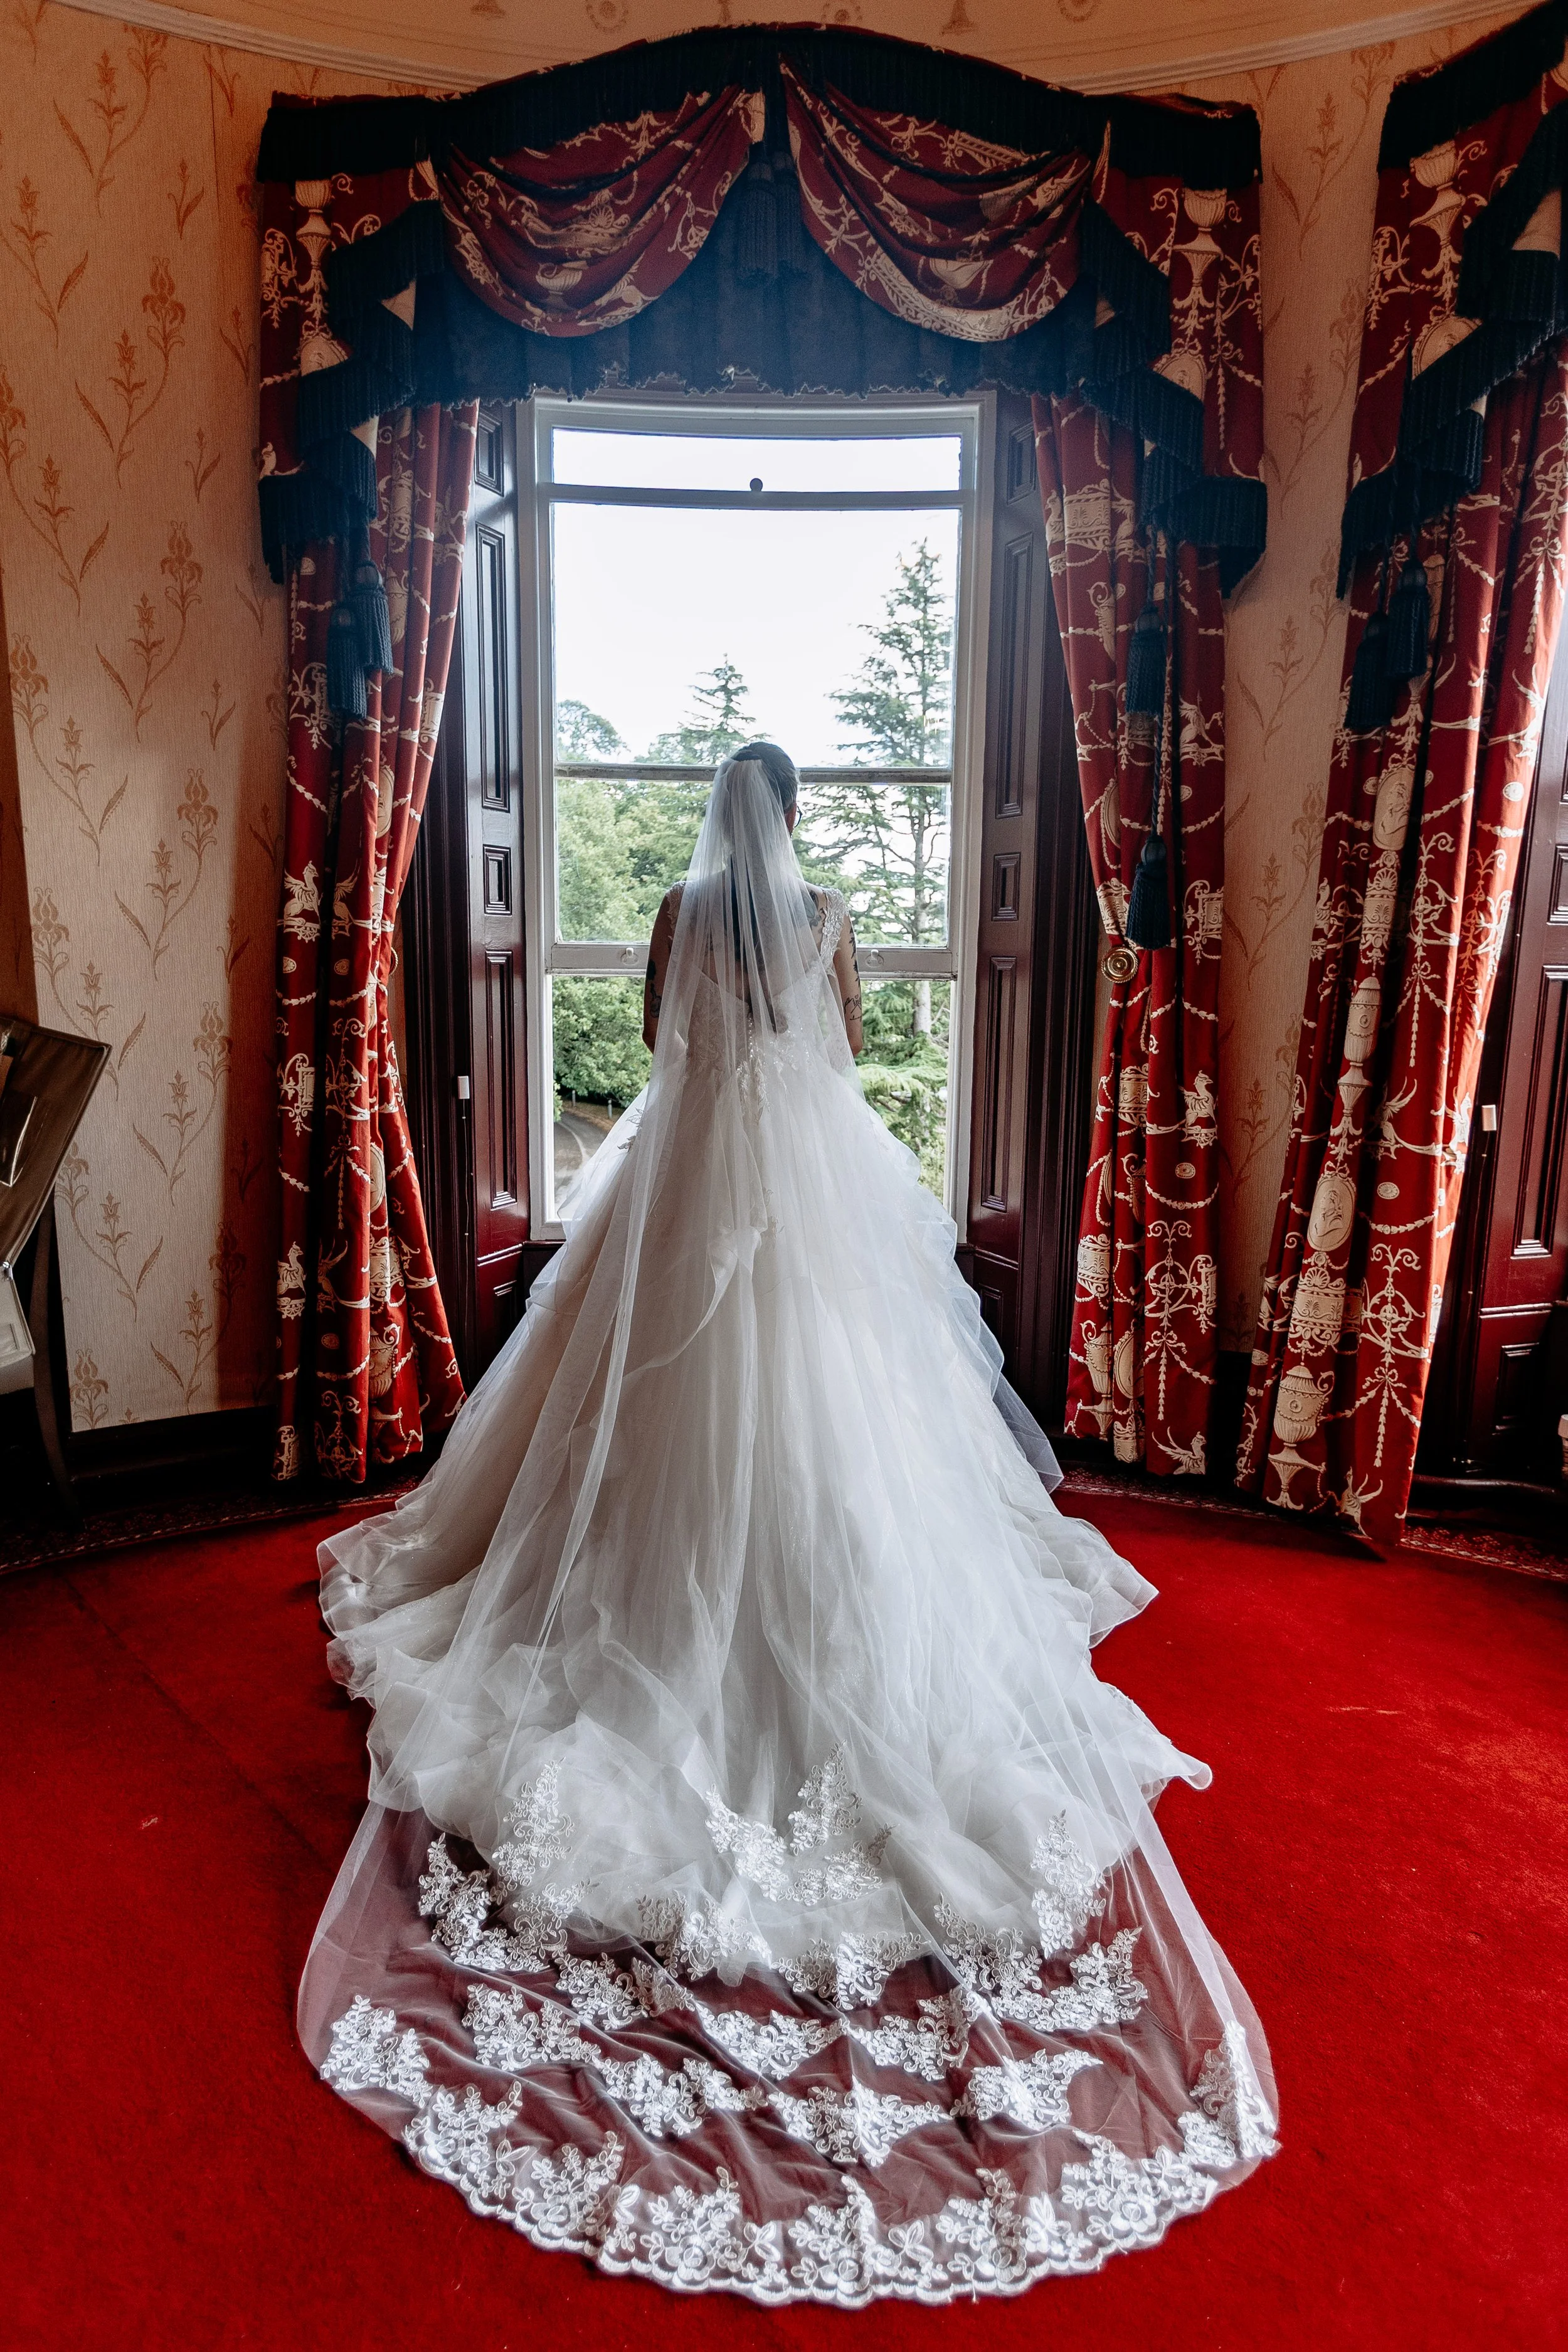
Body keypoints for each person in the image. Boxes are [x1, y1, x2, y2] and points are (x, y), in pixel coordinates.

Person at [300, 743, 1276, 2306]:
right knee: (843, 1424)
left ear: (711, 827)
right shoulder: (820, 911)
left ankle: (617, 1599)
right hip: (798, 1191)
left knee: (628, 1422)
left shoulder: (681, 913)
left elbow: (644, 1045)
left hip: (684, 1187)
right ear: (797, 828)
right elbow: (836, 1048)